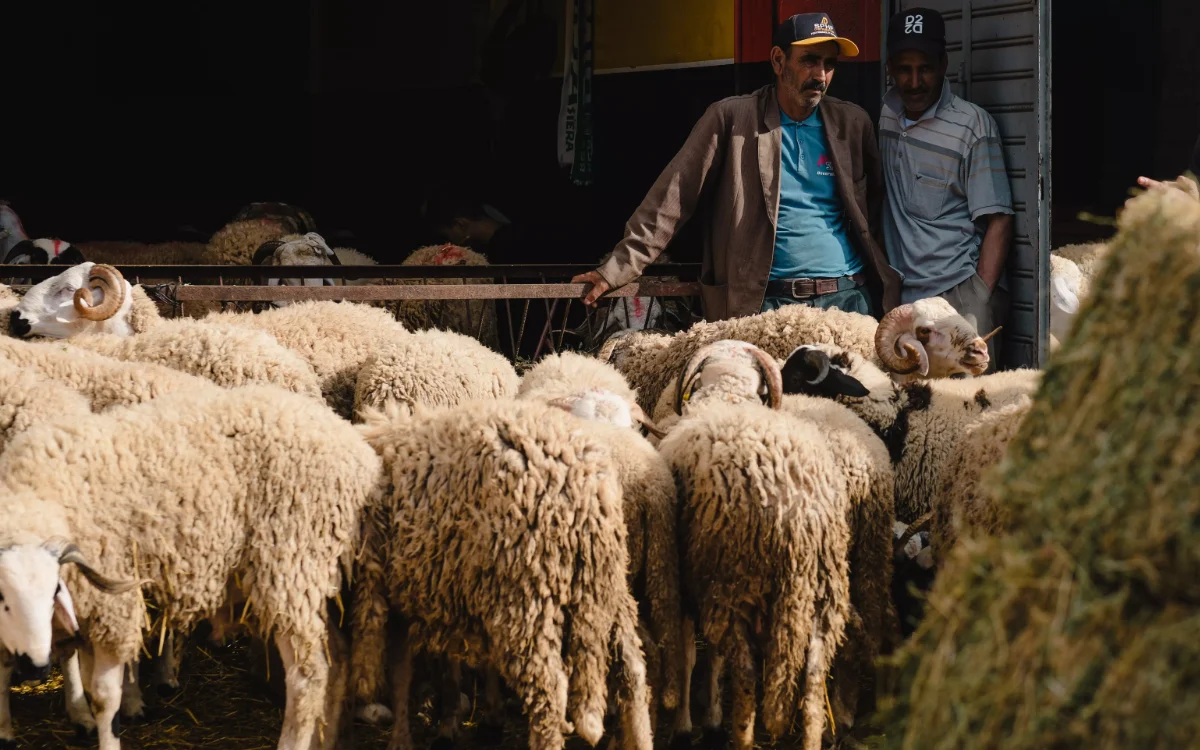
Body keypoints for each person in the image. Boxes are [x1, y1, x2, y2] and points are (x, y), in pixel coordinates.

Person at [572, 12, 901, 321]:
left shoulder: (852, 124)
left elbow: (875, 210)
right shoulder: (732, 119)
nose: (820, 75)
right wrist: (614, 270)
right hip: (766, 304)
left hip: (845, 298)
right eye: (810, 61)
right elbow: (672, 199)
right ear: (778, 60)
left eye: (830, 64)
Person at [879, 7, 1014, 364]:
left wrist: (978, 297)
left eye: (924, 68)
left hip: (959, 295)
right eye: (904, 69)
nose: (914, 82)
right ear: (889, 68)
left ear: (943, 64)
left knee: (971, 392)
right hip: (905, 304)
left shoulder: (973, 126)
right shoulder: (884, 118)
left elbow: (999, 218)